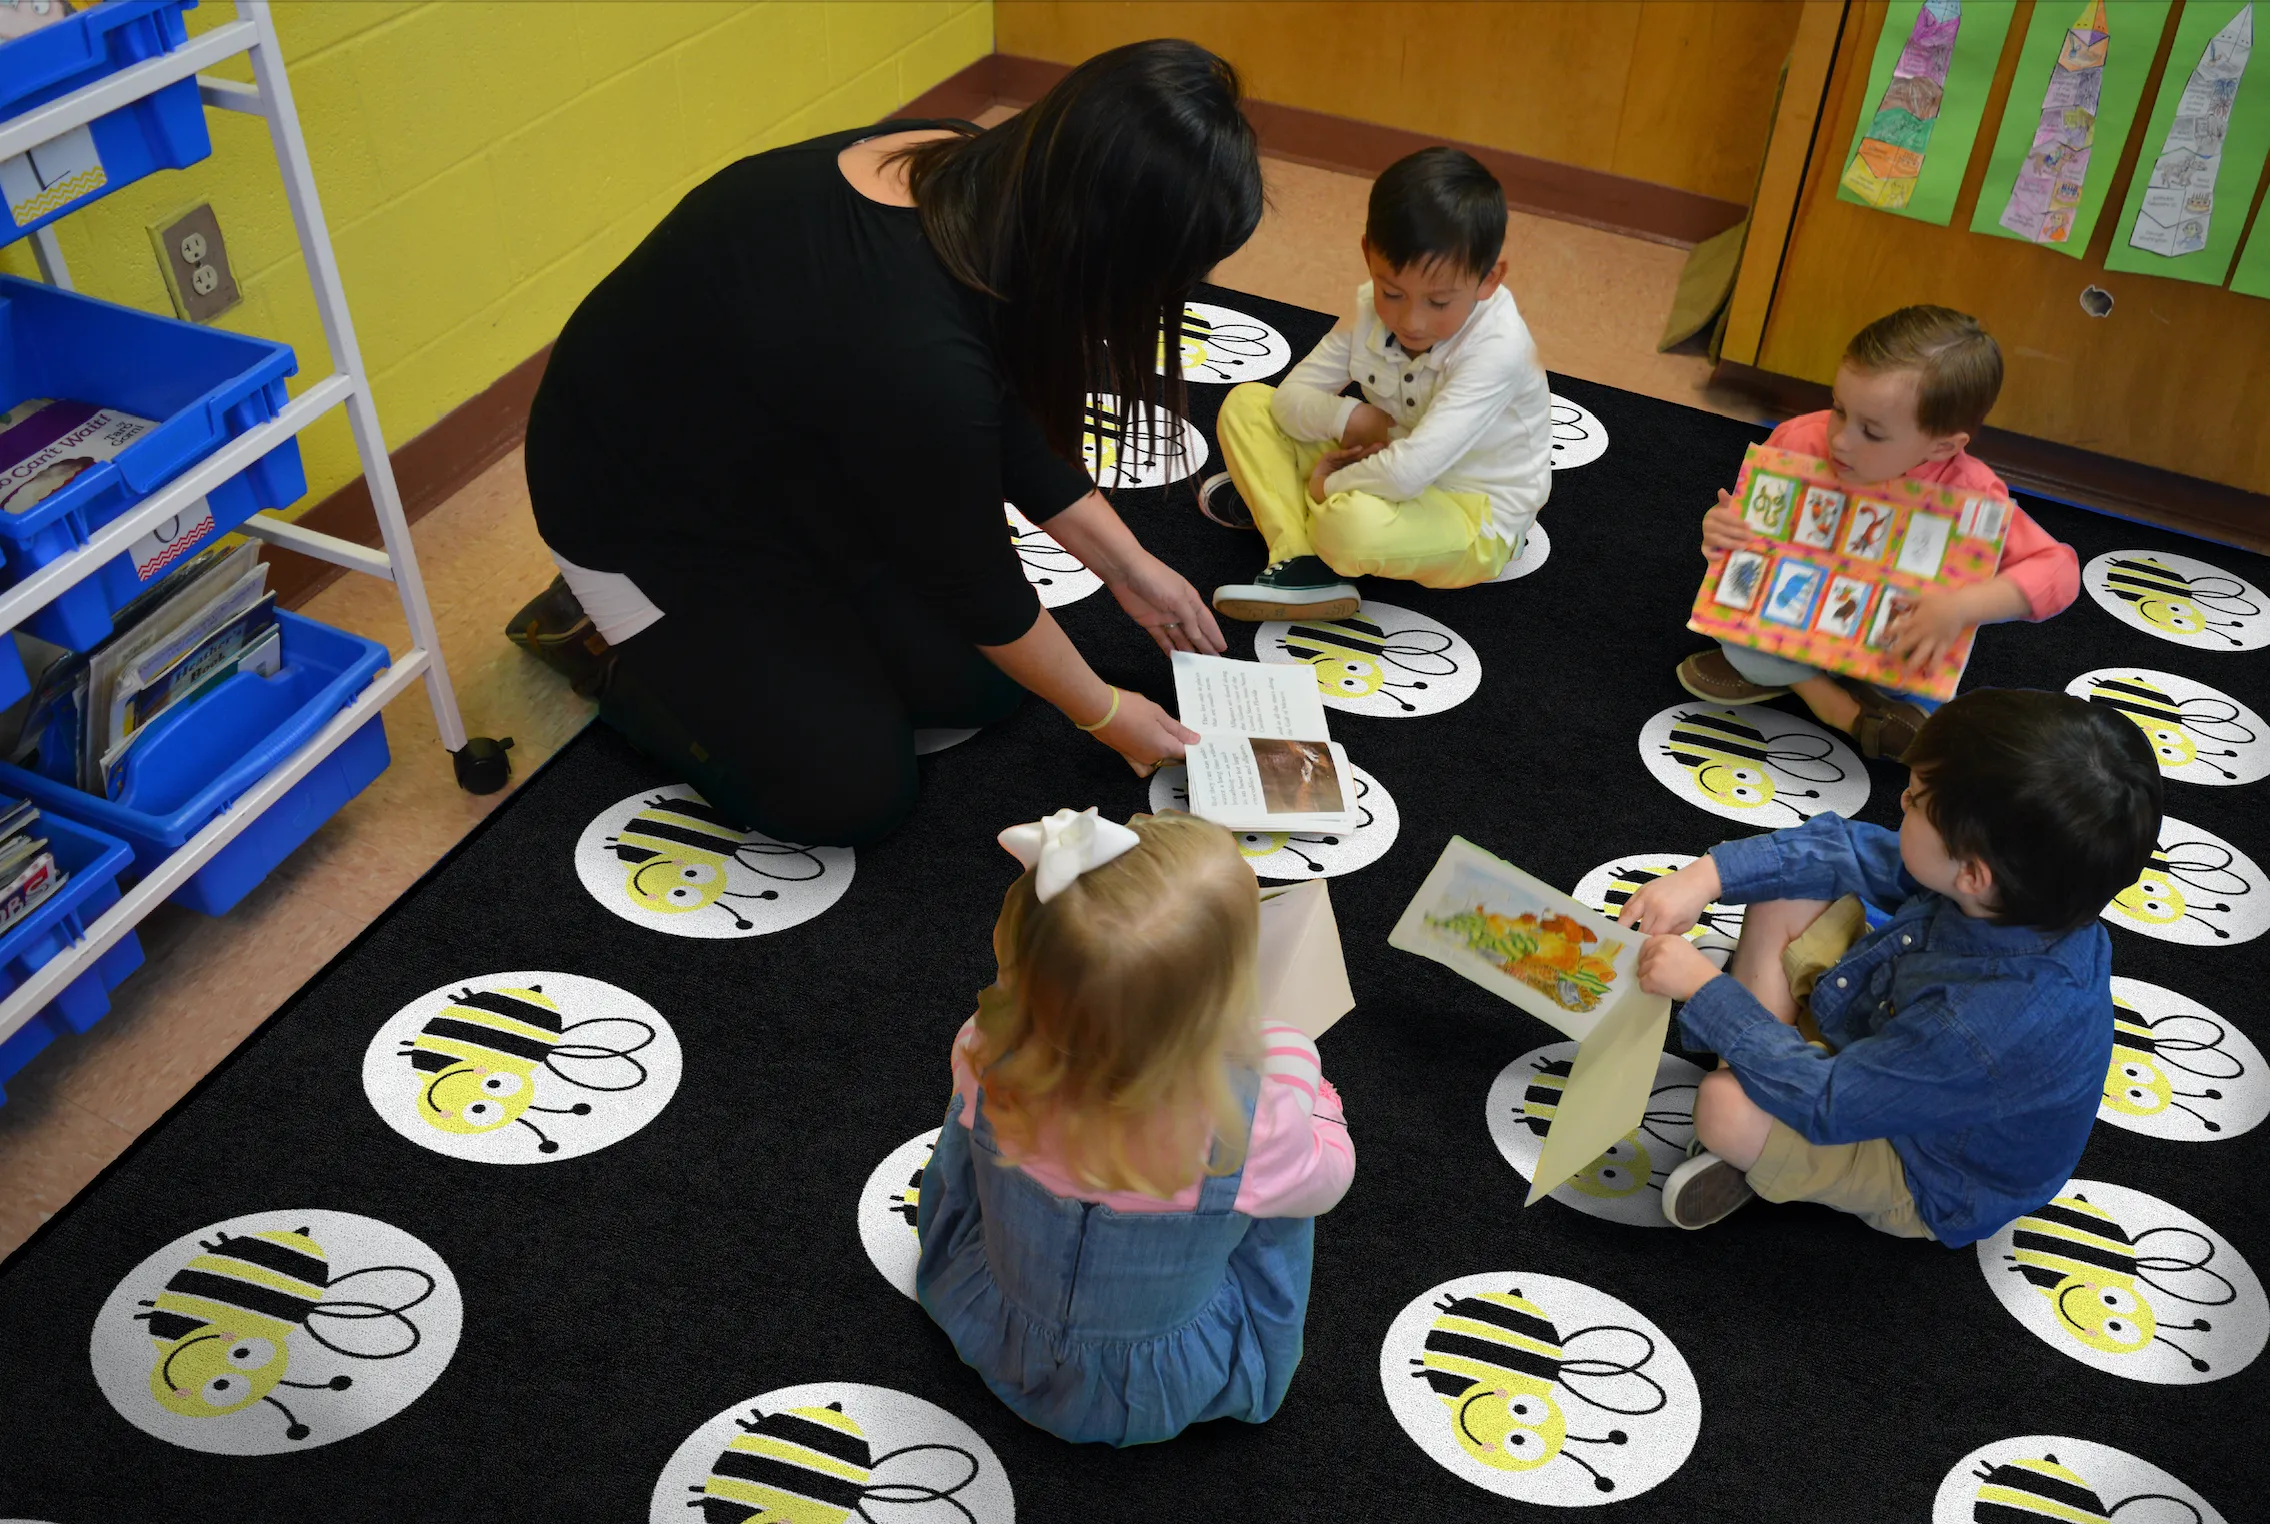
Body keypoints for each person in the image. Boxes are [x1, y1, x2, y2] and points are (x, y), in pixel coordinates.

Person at [515, 42, 1261, 845]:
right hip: (641, 517)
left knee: (982, 690)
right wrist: (1107, 715)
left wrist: (1126, 565)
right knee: (847, 793)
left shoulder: (965, 170)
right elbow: (976, 579)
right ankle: (599, 641)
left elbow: (996, 403)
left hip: (792, 460)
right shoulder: (910, 350)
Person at [1615, 690, 2162, 1247]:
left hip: (1924, 1166)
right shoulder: (2016, 895)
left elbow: (1832, 1101)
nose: (1901, 799)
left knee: (1722, 1107)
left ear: (1972, 874)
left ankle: (1754, 1114)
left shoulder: (1978, 1025)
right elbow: (1845, 851)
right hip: (1891, 1045)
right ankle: (1761, 1059)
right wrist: (1706, 877)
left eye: (1919, 800)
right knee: (1791, 884)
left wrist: (1707, 993)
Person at [916, 809, 1354, 1445]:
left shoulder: (984, 1051)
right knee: (1280, 1192)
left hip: (993, 1319)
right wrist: (1297, 1062)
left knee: (966, 1123)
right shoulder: (1249, 1124)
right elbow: (1329, 1177)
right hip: (1156, 1380)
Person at [1675, 306, 2080, 760]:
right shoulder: (1800, 442)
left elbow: (2060, 572)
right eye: (1839, 409)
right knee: (1737, 636)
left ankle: (1822, 685)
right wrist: (1720, 530)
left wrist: (1960, 607)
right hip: (1795, 614)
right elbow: (1748, 543)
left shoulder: (1972, 495)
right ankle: (1832, 704)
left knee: (1916, 676)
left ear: (1942, 446)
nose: (1841, 440)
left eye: (1872, 431)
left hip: (1889, 644)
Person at [1204, 147, 1552, 622]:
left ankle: (1290, 513)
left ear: (1489, 279)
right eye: (1392, 292)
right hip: (1386, 458)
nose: (1411, 320)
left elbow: (1409, 473)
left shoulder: (1498, 348)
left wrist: (1330, 484)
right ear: (1368, 254)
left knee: (1349, 528)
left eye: (1439, 301)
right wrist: (1350, 417)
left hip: (1473, 512)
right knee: (1247, 404)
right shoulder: (1369, 304)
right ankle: (1301, 559)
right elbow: (1290, 399)